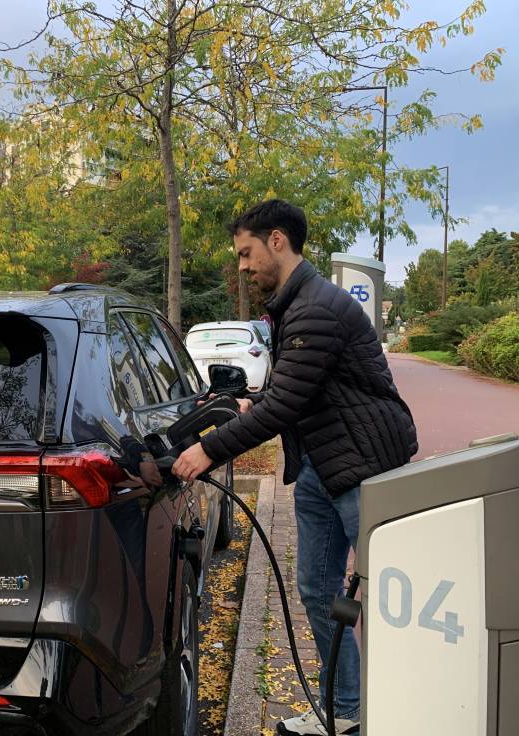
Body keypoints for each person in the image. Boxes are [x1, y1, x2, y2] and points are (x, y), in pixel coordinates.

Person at [172, 199, 417, 735]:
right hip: (320, 469)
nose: (241, 265)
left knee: (389, 597)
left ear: (277, 240)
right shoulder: (295, 304)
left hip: (362, 467)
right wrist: (249, 406)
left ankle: (405, 706)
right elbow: (291, 394)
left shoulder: (315, 307)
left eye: (246, 252)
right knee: (316, 588)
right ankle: (347, 708)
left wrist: (209, 450)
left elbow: (285, 405)